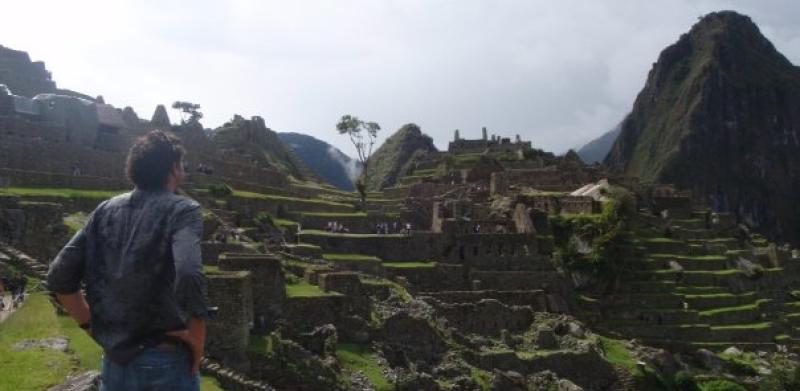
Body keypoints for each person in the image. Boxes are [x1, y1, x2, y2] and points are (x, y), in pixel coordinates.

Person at [46, 130, 208, 391]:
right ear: (174, 168)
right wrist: (197, 335)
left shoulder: (106, 209)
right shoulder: (183, 210)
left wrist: (90, 325)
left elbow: (59, 275)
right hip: (165, 360)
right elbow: (189, 272)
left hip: (115, 362)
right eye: (182, 165)